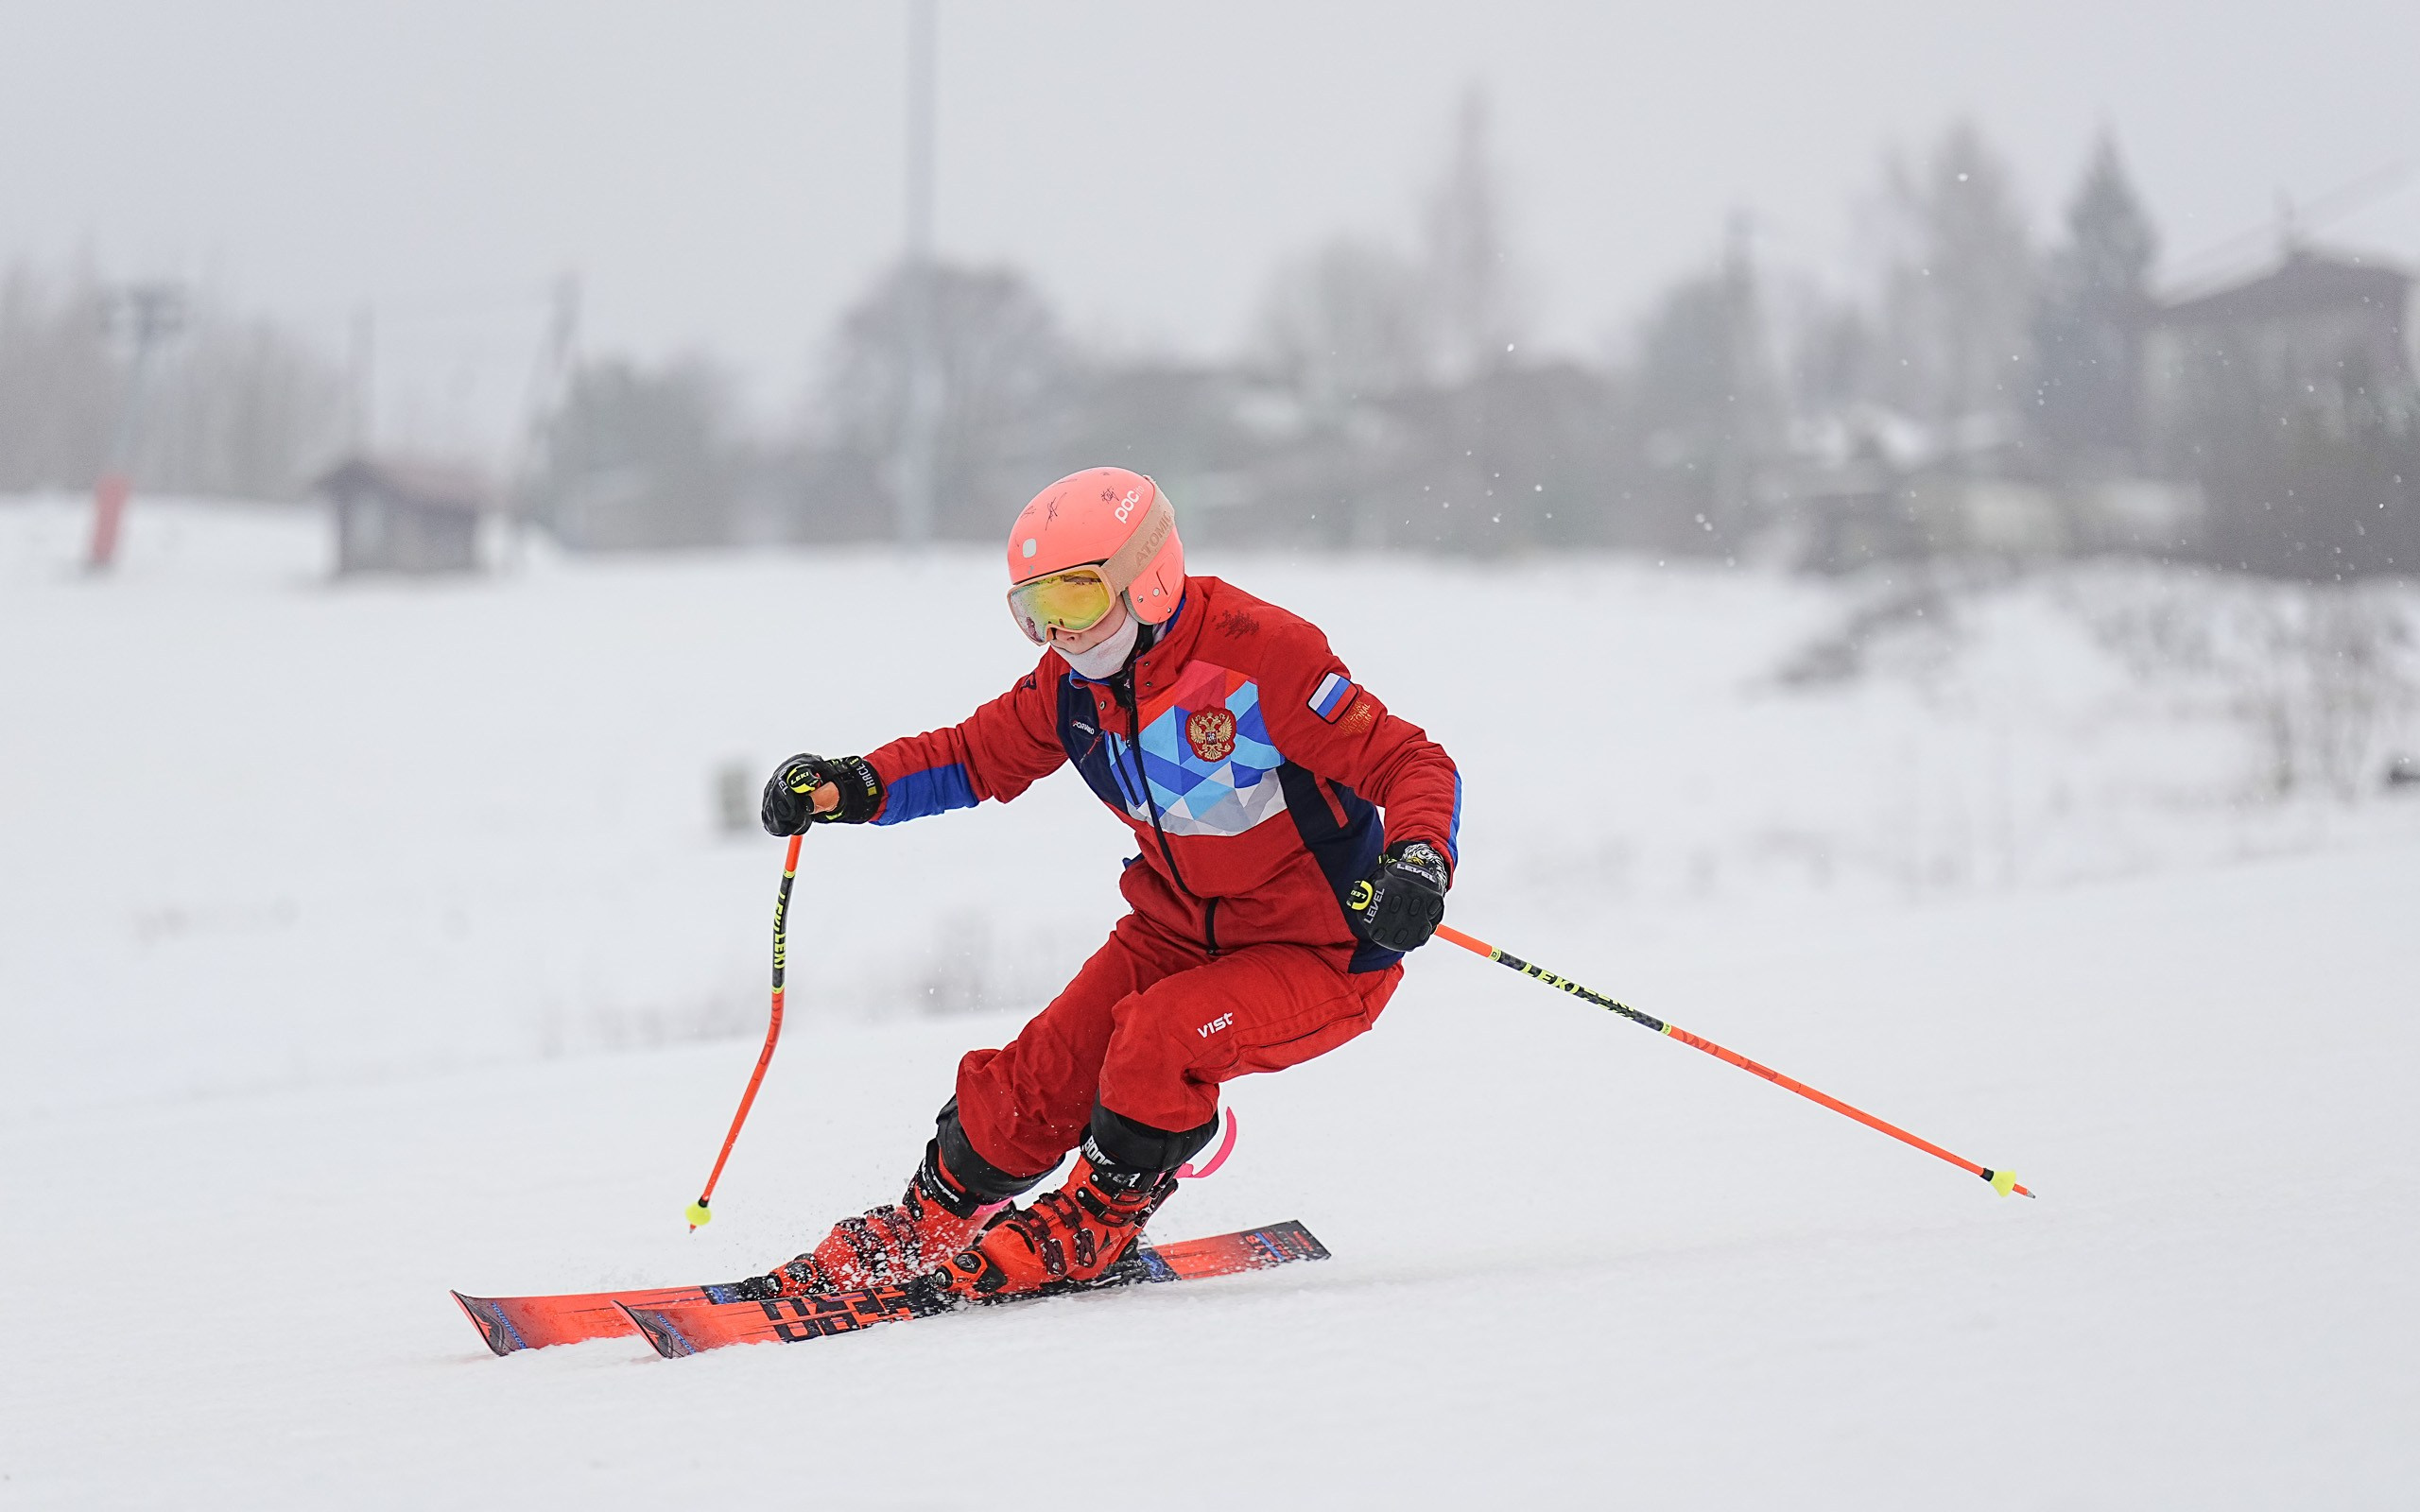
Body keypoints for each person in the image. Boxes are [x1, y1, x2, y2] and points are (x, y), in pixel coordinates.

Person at [756, 467, 1461, 1300]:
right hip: (1170, 932)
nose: (1060, 634)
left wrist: (1418, 859)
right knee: (1033, 1079)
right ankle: (926, 1225)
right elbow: (974, 755)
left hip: (1320, 947)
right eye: (1035, 613)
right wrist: (854, 784)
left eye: (1079, 602)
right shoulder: (1073, 688)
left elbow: (1411, 760)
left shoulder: (1261, 654)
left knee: (1160, 1040)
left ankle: (1097, 1220)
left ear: (1147, 575)